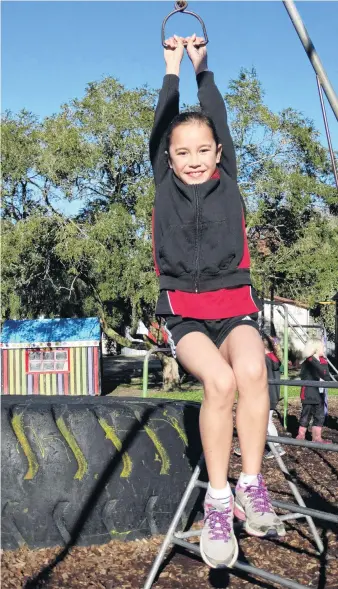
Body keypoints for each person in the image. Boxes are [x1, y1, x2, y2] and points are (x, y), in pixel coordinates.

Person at [150, 34, 285, 569]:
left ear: (219, 153)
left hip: (234, 305)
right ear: (169, 157)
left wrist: (202, 70)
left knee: (252, 369)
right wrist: (170, 69)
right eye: (182, 152)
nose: (193, 159)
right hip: (183, 310)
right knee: (222, 382)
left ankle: (253, 486)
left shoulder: (227, 178)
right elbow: (163, 125)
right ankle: (219, 499)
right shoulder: (164, 181)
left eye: (203, 150)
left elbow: (216, 117)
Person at [234, 332, 285, 460]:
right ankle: (250, 446)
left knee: (263, 421)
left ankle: (276, 447)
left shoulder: (264, 360)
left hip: (264, 395)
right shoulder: (274, 358)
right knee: (260, 421)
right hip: (272, 395)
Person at [296, 338, 331, 444]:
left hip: (319, 393)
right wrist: (319, 365)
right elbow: (306, 375)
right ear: (316, 348)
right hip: (309, 392)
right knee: (306, 414)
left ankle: (317, 437)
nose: (324, 348)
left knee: (319, 415)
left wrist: (322, 363)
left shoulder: (322, 361)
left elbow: (326, 376)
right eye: (322, 346)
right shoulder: (308, 362)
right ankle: (301, 435)